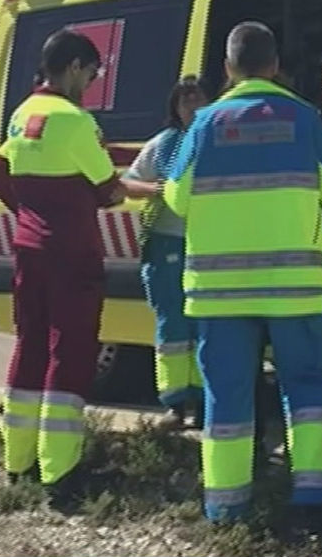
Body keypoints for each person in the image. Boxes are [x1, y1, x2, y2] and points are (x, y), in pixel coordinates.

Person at [163, 21, 322, 524]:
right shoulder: (306, 118)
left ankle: (226, 508)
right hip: (295, 290)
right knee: (307, 389)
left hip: (219, 292)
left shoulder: (204, 124)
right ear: (276, 66)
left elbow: (176, 199)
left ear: (228, 68)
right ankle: (314, 499)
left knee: (226, 396)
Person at [0, 27, 128, 501]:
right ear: (75, 67)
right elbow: (109, 190)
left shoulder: (22, 114)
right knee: (71, 352)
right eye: (92, 74)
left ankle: (17, 462)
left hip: (28, 249)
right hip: (72, 252)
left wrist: (27, 211)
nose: (92, 83)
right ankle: (60, 474)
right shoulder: (76, 120)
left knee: (31, 347)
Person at [122, 76, 209, 429]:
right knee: (172, 324)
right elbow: (127, 183)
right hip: (167, 243)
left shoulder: (220, 138)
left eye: (198, 98)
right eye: (185, 100)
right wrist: (153, 189)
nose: (192, 106)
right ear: (175, 107)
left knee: (206, 326)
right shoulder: (162, 145)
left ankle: (204, 403)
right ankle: (175, 403)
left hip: (209, 244)